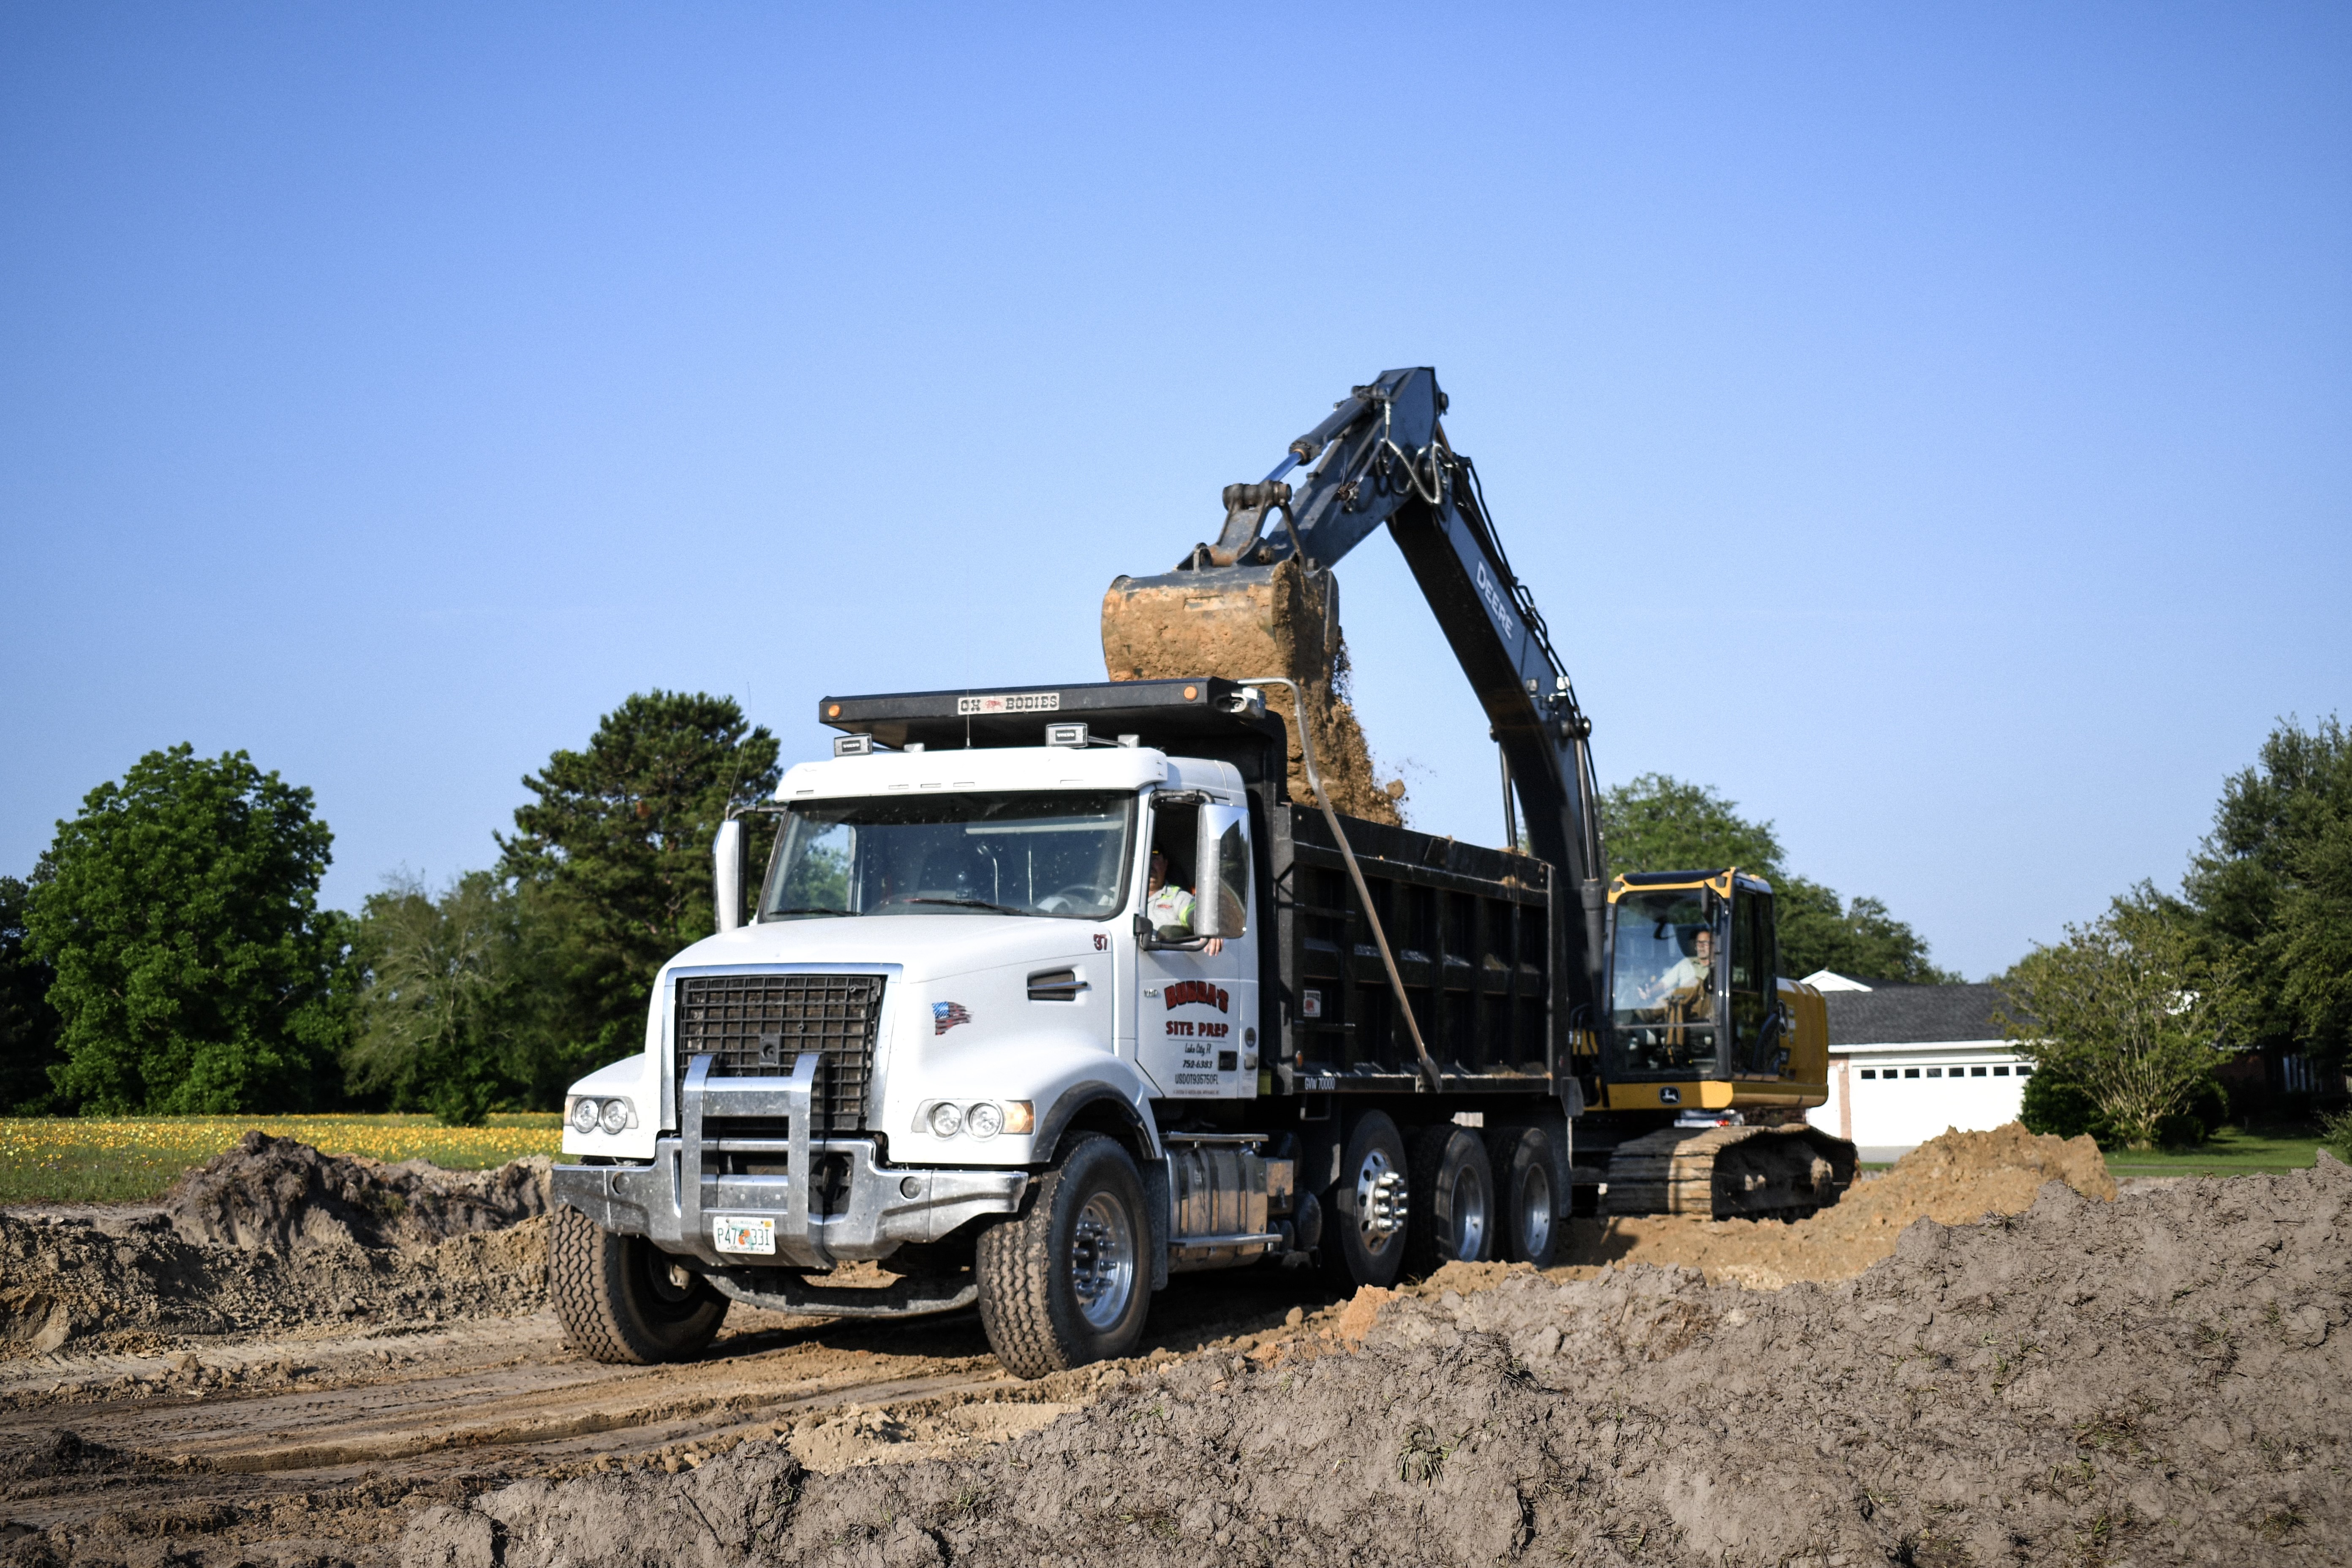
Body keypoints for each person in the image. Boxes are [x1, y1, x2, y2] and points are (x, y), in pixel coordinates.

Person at [1146, 849, 1222, 955]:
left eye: (1155, 857)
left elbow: (1193, 912)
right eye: (1145, 858)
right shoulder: (1117, 898)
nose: (1149, 863)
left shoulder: (1177, 896)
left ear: (1165, 864)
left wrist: (1210, 926)